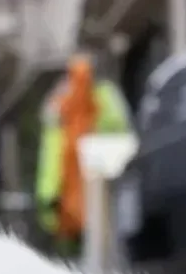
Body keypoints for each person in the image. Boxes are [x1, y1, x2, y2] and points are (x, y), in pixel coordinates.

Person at [34, 51, 132, 255]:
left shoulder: (61, 101)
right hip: (86, 188)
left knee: (93, 251)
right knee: (103, 249)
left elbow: (51, 153)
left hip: (82, 189)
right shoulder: (72, 100)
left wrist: (49, 195)